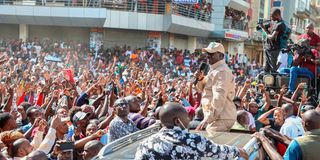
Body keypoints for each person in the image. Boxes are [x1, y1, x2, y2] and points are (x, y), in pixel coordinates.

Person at [134, 102, 248, 160]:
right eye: (187, 118)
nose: (189, 120)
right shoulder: (192, 140)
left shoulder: (145, 144)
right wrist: (238, 151)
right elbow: (218, 151)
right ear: (177, 121)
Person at [195, 42, 237, 133]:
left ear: (221, 55)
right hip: (217, 117)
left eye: (212, 54)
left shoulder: (222, 71)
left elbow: (219, 97)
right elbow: (202, 89)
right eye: (207, 53)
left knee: (209, 143)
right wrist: (200, 78)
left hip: (221, 117)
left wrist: (208, 118)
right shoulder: (215, 69)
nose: (208, 56)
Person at [254, 110, 320, 160]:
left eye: (302, 121)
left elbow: (298, 144)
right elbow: (292, 142)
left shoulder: (298, 143)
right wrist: (274, 134)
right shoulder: (301, 142)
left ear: (306, 124)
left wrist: (263, 140)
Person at [260, 8, 287, 73]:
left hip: (274, 49)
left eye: (272, 16)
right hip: (270, 48)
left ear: (277, 15)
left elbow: (271, 37)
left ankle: (273, 82)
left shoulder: (280, 24)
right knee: (266, 68)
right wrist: (265, 28)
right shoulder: (277, 23)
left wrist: (264, 30)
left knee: (272, 69)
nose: (271, 18)